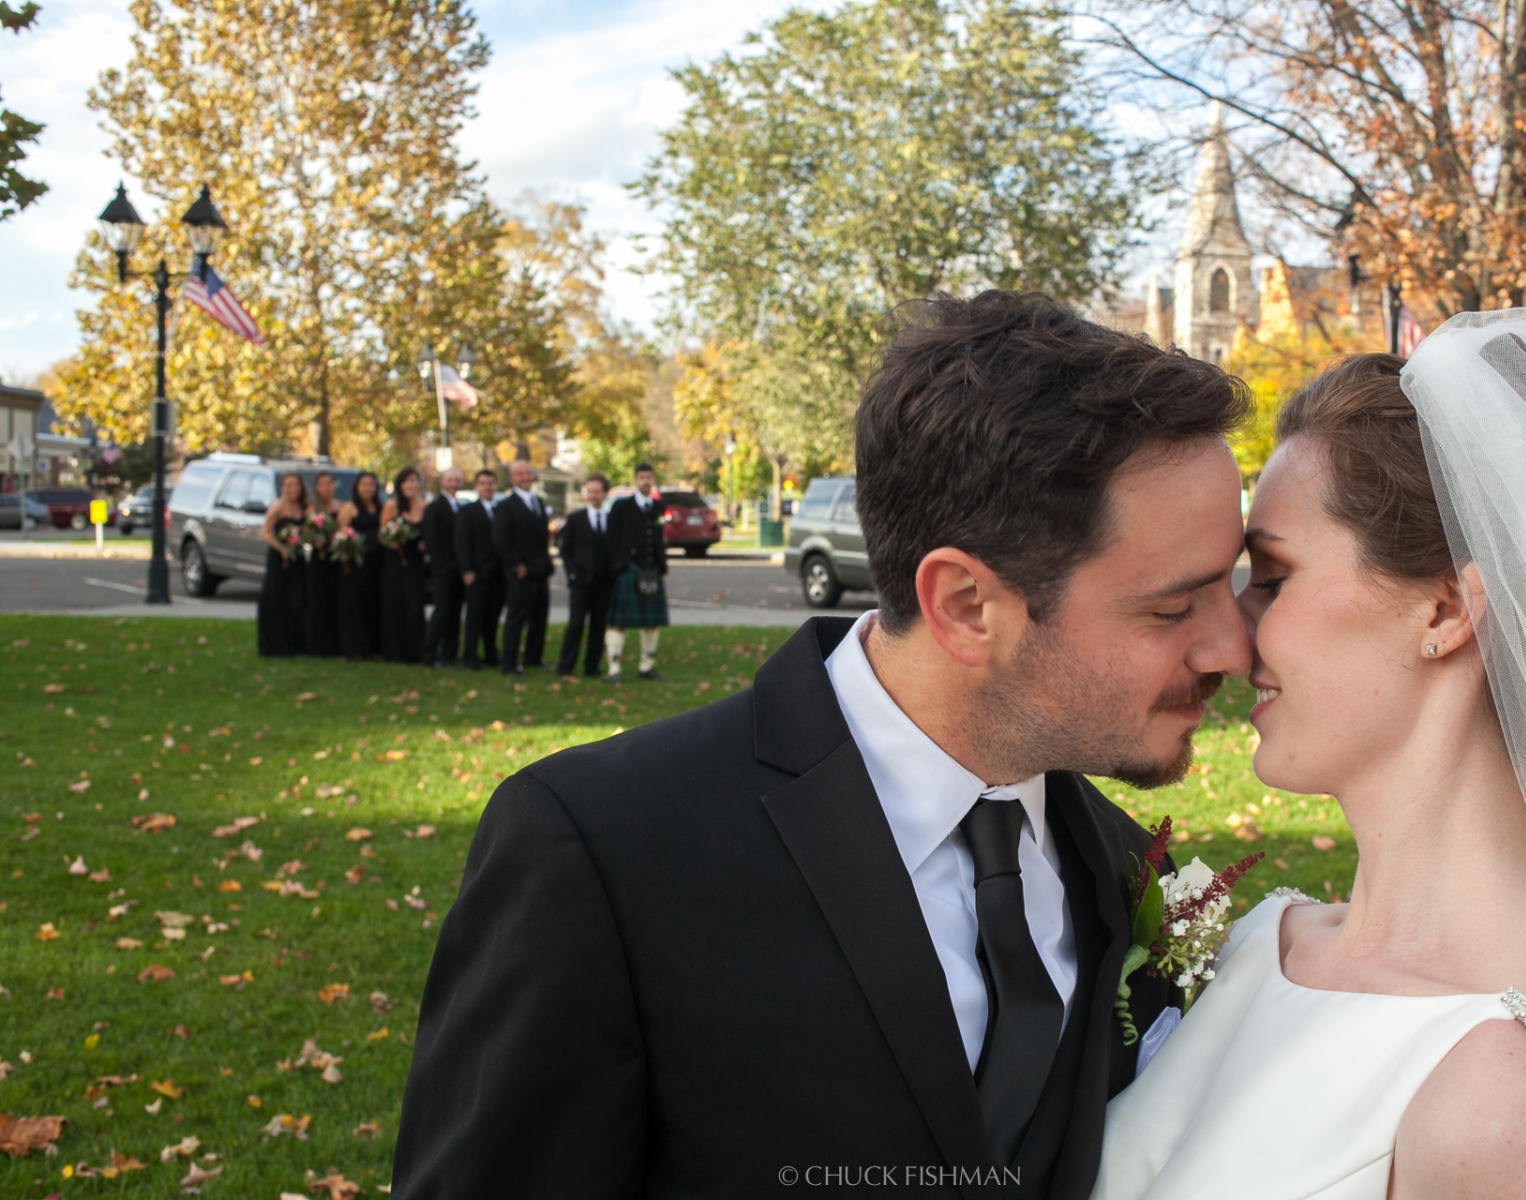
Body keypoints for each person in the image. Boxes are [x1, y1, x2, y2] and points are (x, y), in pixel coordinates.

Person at [392, 291, 1250, 1198]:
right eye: (1172, 607)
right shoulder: (602, 852)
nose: (1232, 646)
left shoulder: (1122, 865)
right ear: (964, 605)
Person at [1093, 309, 1526, 1200]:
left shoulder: (1504, 1102)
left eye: (1274, 578)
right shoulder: (1257, 946)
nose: (1230, 637)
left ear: (1444, 610)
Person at [601, 462, 670, 684]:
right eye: (641, 477)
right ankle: (613, 669)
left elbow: (660, 539)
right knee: (618, 622)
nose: (645, 481)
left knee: (651, 622)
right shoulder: (622, 506)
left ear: (653, 480)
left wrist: (661, 566)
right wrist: (617, 566)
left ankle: (646, 666)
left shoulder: (659, 507)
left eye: (649, 477)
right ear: (635, 480)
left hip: (652, 569)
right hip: (627, 571)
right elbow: (611, 539)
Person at [492, 459, 553, 676]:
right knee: (516, 618)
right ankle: (509, 664)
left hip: (540, 570)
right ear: (512, 479)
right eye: (520, 474)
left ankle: (533, 658)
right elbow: (501, 540)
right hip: (521, 571)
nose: (525, 477)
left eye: (528, 473)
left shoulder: (537, 501)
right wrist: (516, 565)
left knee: (540, 617)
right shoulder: (505, 506)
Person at [554, 473, 614, 678]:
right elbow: (565, 549)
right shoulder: (576, 518)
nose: (593, 495)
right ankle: (565, 667)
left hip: (603, 583)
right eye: (590, 491)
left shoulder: (610, 519)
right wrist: (572, 574)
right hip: (581, 582)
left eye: (597, 491)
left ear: (605, 493)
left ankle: (592, 667)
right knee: (576, 624)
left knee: (598, 626)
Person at [255, 471, 309, 657]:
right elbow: (265, 533)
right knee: (277, 597)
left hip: (297, 557)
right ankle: (274, 643)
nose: (293, 489)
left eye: (296, 485)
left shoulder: (303, 508)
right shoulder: (277, 508)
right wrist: (281, 547)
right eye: (289, 485)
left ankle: (295, 642)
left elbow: (305, 529)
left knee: (297, 598)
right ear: (282, 488)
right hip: (280, 559)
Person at [454, 469, 504, 669]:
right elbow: (462, 542)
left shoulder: (501, 510)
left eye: (490, 483)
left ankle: (491, 653)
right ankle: (470, 655)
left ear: (496, 485)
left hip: (498, 573)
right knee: (475, 616)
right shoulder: (468, 511)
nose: (487, 487)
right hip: (476, 572)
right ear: (476, 486)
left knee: (493, 616)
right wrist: (466, 569)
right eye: (482, 483)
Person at [379, 466, 428, 664]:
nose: (411, 484)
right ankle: (394, 650)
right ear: (400, 485)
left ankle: (416, 649)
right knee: (395, 604)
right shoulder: (392, 506)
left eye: (414, 480)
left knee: (415, 604)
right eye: (407, 481)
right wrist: (395, 542)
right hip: (395, 562)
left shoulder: (425, 507)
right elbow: (382, 535)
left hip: (416, 563)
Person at [421, 467, 465, 669]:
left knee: (455, 612)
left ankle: (450, 653)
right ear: (442, 482)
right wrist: (441, 567)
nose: (454, 483)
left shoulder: (460, 507)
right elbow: (431, 540)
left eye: (457, 480)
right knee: (441, 611)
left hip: (458, 569)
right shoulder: (434, 508)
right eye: (450, 480)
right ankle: (429, 654)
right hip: (443, 570)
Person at [336, 471, 383, 660]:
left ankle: (373, 647)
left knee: (373, 605)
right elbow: (341, 535)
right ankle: (354, 648)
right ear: (357, 487)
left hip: (376, 564)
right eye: (364, 484)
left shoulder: (379, 507)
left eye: (371, 484)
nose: (368, 488)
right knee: (355, 605)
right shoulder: (350, 507)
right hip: (356, 565)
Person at [302, 471, 340, 657]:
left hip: (336, 560)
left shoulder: (341, 507)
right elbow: (305, 533)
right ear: (317, 487)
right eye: (323, 484)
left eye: (330, 483)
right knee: (318, 600)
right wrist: (313, 540)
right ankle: (317, 645)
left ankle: (335, 643)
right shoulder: (311, 510)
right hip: (319, 560)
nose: (327, 487)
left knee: (335, 600)